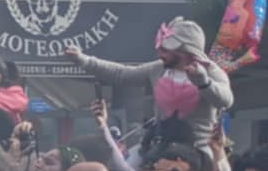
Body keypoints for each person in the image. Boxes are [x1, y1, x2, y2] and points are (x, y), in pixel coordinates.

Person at [66, 19, 233, 160]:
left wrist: (204, 83)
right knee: (127, 169)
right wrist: (83, 60)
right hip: (160, 144)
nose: (159, 53)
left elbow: (226, 101)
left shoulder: (211, 71)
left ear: (184, 51)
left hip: (200, 149)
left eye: (165, 49)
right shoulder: (158, 69)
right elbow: (122, 74)